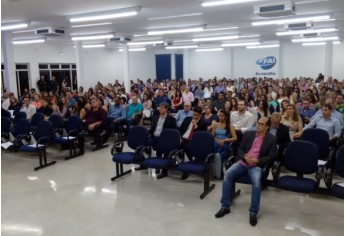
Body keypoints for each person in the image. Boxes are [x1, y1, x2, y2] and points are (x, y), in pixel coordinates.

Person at [214, 117, 277, 227]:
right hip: (243, 162)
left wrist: (258, 160)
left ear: (267, 127)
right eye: (258, 123)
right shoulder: (249, 134)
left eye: (262, 124)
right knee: (227, 175)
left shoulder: (271, 139)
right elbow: (240, 149)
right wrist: (244, 157)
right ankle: (225, 206)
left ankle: (253, 212)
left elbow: (271, 156)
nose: (258, 125)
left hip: (256, 166)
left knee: (257, 183)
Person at [143, 102, 177, 178]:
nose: (160, 109)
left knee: (163, 150)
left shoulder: (171, 119)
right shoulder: (155, 117)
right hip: (154, 136)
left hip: (164, 139)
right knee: (143, 143)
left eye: (162, 108)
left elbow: (173, 131)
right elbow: (152, 129)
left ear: (166, 109)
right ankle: (144, 164)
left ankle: (164, 170)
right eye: (159, 107)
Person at [179, 106, 208, 180]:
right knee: (173, 145)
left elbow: (201, 135)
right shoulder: (187, 119)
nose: (194, 116)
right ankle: (179, 164)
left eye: (196, 115)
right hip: (183, 138)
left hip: (194, 140)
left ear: (200, 115)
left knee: (186, 147)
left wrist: (195, 125)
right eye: (193, 114)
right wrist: (179, 137)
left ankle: (186, 169)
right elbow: (180, 130)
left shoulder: (203, 123)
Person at [212, 110, 237, 179]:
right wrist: (218, 140)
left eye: (222, 116)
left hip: (225, 144)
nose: (219, 117)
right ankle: (214, 171)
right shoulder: (216, 124)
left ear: (226, 117)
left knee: (219, 149)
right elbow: (212, 136)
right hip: (216, 142)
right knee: (215, 145)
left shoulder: (230, 126)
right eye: (219, 115)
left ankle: (219, 172)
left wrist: (225, 140)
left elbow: (235, 138)